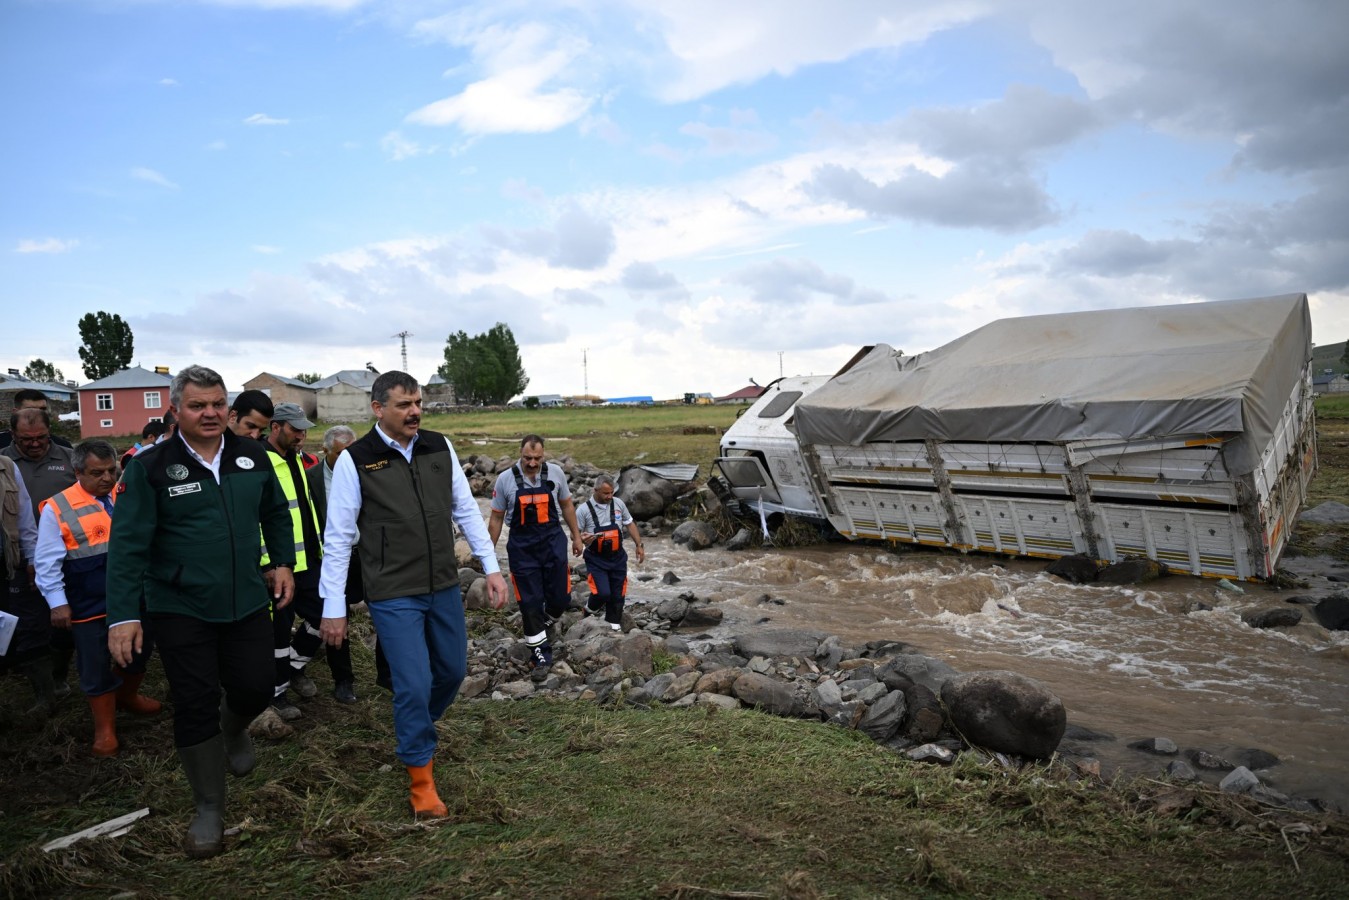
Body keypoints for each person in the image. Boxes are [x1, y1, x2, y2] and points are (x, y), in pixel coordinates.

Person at [107, 365, 295, 859]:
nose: (210, 413)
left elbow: (275, 512)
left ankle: (232, 728)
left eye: (218, 404)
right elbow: (126, 547)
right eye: (197, 405)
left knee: (255, 688)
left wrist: (281, 562)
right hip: (179, 605)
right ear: (175, 409)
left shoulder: (252, 456)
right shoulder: (149, 468)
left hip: (247, 600)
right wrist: (122, 615)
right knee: (193, 703)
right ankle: (209, 805)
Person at [317, 370, 507, 819]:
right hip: (391, 591)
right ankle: (421, 778)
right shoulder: (355, 460)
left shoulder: (438, 446)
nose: (415, 411)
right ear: (378, 409)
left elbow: (465, 510)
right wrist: (334, 608)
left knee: (452, 671)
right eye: (404, 405)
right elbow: (340, 537)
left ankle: (416, 727)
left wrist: (492, 568)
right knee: (412, 683)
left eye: (418, 402)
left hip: (442, 582)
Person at [34, 440, 161, 756]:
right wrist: (56, 602)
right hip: (89, 600)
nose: (107, 478)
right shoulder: (58, 508)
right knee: (94, 663)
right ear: (78, 472)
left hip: (134, 595)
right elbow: (46, 561)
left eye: (111, 471)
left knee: (139, 651)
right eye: (97, 473)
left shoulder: (127, 496)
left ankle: (127, 697)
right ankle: (105, 729)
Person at [260, 402, 353, 718]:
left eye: (303, 430)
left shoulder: (296, 459)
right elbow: (260, 517)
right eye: (295, 429)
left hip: (310, 560)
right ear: (276, 427)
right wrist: (268, 563)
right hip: (281, 565)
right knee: (278, 631)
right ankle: (277, 694)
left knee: (324, 616)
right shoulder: (262, 461)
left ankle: (293, 666)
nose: (301, 435)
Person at [488, 434, 584, 672]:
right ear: (520, 453)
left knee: (561, 598)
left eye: (537, 458)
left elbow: (567, 505)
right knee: (529, 604)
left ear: (544, 455)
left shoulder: (556, 474)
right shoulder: (504, 480)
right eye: (527, 458)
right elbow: (496, 518)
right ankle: (540, 656)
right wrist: (487, 553)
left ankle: (544, 622)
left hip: (553, 542)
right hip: (522, 548)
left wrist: (577, 535)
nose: (532, 463)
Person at [3, 406, 79, 704]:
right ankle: (38, 685)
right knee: (31, 622)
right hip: (21, 557)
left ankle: (59, 677)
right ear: (13, 436)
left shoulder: (69, 458)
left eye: (42, 438)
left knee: (64, 621)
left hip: (69, 555)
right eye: (26, 439)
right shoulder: (6, 464)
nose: (35, 444)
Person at [304, 424, 384, 699]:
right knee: (337, 616)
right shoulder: (311, 479)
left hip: (367, 553)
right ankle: (343, 679)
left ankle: (388, 675)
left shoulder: (367, 471)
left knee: (386, 609)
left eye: (353, 451)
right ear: (326, 451)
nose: (349, 458)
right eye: (341, 453)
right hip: (334, 556)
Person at [0, 452, 45, 712]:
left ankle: (41, 695)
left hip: (5, 567)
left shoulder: (6, 468)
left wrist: (32, 560)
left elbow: (24, 518)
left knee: (18, 628)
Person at [576, 474, 646, 631]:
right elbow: (576, 535)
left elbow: (630, 523)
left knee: (618, 594)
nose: (609, 496)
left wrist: (639, 545)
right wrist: (581, 539)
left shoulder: (619, 504)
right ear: (596, 490)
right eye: (605, 493)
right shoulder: (583, 510)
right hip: (596, 559)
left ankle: (613, 627)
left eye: (611, 493)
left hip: (618, 557)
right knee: (603, 593)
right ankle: (588, 610)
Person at [0, 389, 74, 450]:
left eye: (43, 409)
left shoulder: (63, 447)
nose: (38, 414)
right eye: (31, 410)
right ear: (15, 412)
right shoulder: (2, 444)